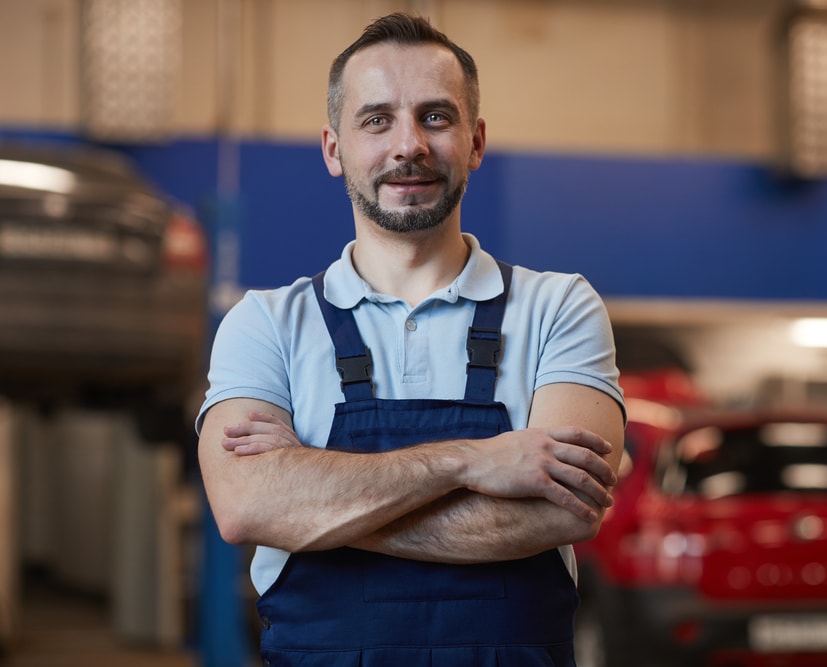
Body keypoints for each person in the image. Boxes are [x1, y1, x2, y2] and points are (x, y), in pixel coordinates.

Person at [196, 12, 625, 666]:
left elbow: (563, 513)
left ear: (476, 141)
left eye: (435, 116)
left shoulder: (557, 307)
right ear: (333, 149)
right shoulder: (266, 324)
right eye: (376, 120)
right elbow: (245, 505)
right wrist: (471, 462)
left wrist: (316, 502)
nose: (408, 145)